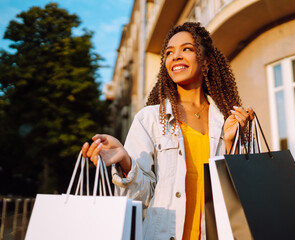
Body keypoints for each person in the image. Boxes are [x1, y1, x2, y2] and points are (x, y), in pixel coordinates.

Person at [82, 22, 254, 240]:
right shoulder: (151, 119)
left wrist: (232, 144)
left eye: (187, 49)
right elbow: (140, 197)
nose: (176, 56)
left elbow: (242, 197)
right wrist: (126, 161)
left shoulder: (227, 121)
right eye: (169, 52)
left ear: (207, 61)